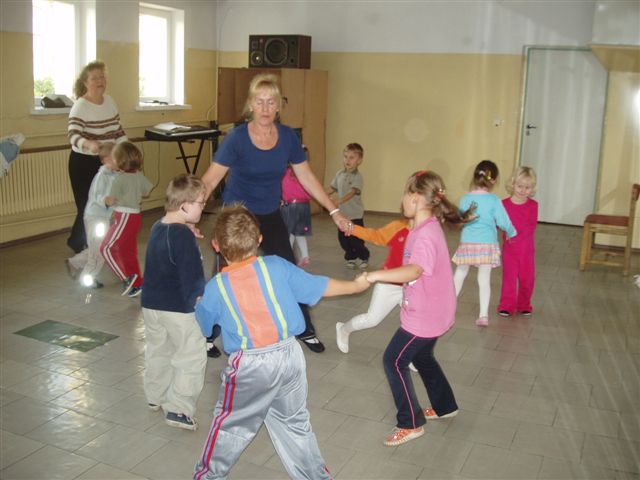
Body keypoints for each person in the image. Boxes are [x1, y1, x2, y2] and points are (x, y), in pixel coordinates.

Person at [193, 205, 370, 479]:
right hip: (290, 355)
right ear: (259, 239)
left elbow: (205, 326)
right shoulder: (276, 266)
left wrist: (200, 306)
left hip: (250, 365)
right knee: (294, 422)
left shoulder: (216, 286)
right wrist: (356, 286)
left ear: (216, 245)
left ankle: (207, 476)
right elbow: (319, 285)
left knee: (229, 425)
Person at [200, 73, 351, 353]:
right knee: (226, 276)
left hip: (270, 213)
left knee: (289, 270)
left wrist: (334, 211)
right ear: (250, 105)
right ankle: (208, 334)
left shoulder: (288, 137)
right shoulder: (236, 139)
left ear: (279, 106)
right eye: (260, 102)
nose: (266, 108)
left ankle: (304, 328)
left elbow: (306, 177)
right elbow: (210, 180)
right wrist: (189, 216)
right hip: (237, 216)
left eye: (271, 102)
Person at [365, 170, 474, 447]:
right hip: (436, 310)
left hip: (425, 316)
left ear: (415, 198)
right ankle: (445, 405)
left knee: (393, 361)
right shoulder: (427, 227)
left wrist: (375, 275)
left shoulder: (425, 234)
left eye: (405, 193)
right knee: (423, 356)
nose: (402, 199)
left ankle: (410, 423)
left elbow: (414, 269)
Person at [141, 174, 208, 431]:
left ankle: (155, 396)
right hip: (179, 308)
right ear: (185, 206)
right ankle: (179, 409)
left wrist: (186, 228)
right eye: (201, 203)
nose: (204, 207)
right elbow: (191, 275)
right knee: (191, 355)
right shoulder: (182, 237)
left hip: (151, 305)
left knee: (159, 350)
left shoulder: (159, 226)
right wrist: (199, 302)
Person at [67, 60, 126, 253]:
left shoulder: (110, 101)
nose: (100, 81)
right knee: (88, 205)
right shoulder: (80, 106)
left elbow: (118, 130)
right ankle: (79, 244)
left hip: (108, 161)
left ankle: (94, 242)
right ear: (85, 82)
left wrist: (126, 149)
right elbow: (73, 135)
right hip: (84, 162)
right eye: (95, 78)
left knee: (106, 203)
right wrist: (88, 144)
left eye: (102, 77)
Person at [452, 160, 516, 327]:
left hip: (467, 243)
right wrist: (511, 232)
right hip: (486, 245)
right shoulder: (494, 200)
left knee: (460, 273)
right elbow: (503, 221)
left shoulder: (465, 199)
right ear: (493, 181)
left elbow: (460, 219)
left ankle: (448, 308)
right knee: (484, 279)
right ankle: (483, 315)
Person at [335, 216, 410, 353]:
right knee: (372, 319)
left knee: (415, 323)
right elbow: (377, 236)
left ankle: (411, 355)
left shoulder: (430, 230)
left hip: (413, 286)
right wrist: (353, 228)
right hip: (390, 283)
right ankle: (344, 329)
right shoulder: (399, 226)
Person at [100, 142, 153, 297]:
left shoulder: (119, 179)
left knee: (106, 248)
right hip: (135, 217)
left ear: (120, 161)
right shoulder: (138, 175)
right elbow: (147, 192)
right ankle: (138, 284)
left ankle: (126, 278)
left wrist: (104, 199)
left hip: (124, 217)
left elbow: (110, 200)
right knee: (128, 252)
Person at [65, 142, 118, 289]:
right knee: (100, 251)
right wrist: (106, 200)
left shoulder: (114, 175)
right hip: (95, 218)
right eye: (117, 158)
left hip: (103, 218)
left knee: (98, 247)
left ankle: (74, 262)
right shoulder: (102, 176)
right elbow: (96, 196)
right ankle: (87, 278)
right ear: (106, 159)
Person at [498, 166, 538, 317]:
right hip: (510, 250)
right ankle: (506, 305)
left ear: (532, 188)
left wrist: (514, 234)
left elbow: (530, 226)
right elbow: (497, 222)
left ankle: (524, 304)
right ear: (513, 184)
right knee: (509, 278)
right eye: (520, 186)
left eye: (527, 187)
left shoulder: (533, 205)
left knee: (527, 279)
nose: (523, 190)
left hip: (527, 250)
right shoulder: (503, 204)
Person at [327, 143, 370, 269]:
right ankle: (351, 257)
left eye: (352, 157)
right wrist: (321, 194)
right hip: (342, 215)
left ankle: (364, 256)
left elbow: (352, 193)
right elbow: (331, 189)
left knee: (355, 239)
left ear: (359, 161)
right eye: (345, 157)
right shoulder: (339, 174)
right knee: (343, 239)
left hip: (355, 215)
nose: (347, 160)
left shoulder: (358, 177)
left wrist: (338, 201)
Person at [281, 160, 312, 267]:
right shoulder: (303, 173)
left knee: (289, 233)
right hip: (304, 206)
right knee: (299, 233)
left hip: (291, 206)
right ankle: (305, 256)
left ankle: (288, 257)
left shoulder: (284, 173)